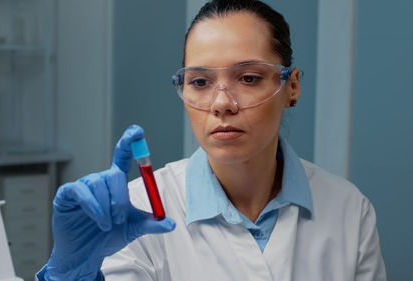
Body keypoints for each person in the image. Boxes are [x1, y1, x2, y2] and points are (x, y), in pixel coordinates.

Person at [37, 0, 387, 280]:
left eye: (248, 78)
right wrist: (71, 274)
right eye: (200, 82)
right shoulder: (141, 209)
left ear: (291, 87)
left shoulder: (348, 210)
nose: (221, 104)